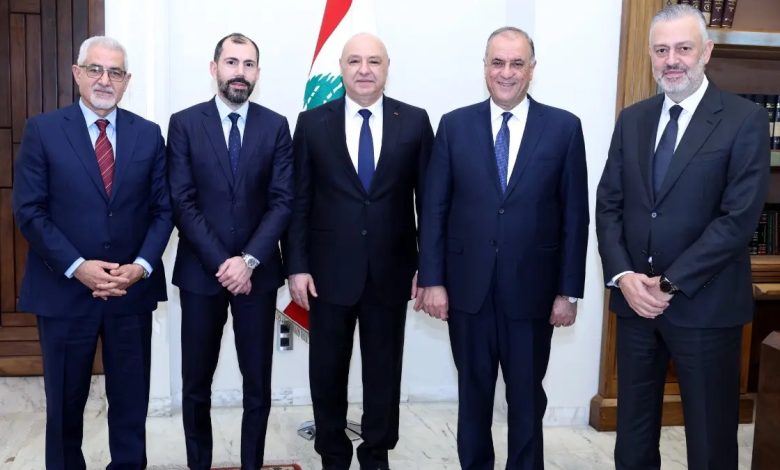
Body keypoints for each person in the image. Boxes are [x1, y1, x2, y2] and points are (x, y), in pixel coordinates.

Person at [596, 4, 769, 469]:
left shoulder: (744, 119)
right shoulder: (633, 119)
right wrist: (624, 276)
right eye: (661, 50)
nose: (672, 60)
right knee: (632, 438)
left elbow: (737, 219)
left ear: (706, 51)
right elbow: (609, 204)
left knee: (710, 443)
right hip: (635, 306)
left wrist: (670, 283)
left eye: (683, 48)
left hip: (706, 307)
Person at [418, 26, 589, 470]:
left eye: (516, 63)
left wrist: (569, 292)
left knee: (527, 399)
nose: (506, 72)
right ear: (485, 68)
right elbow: (434, 209)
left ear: (532, 69)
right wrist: (432, 280)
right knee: (472, 398)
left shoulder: (564, 128)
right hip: (468, 293)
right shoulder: (454, 126)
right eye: (498, 62)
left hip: (533, 295)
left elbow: (576, 216)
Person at [12, 36, 172, 469]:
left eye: (115, 72)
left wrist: (141, 266)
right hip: (63, 292)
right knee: (65, 406)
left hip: (130, 293)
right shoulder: (43, 130)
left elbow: (163, 210)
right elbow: (29, 210)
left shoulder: (148, 134)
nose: (105, 80)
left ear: (127, 81)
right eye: (95, 69)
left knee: (131, 403)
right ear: (77, 73)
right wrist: (77, 266)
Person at [283, 32, 433, 470]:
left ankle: (376, 454)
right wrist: (296, 265)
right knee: (327, 372)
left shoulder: (415, 121)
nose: (364, 70)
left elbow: (430, 202)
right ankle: (332, 454)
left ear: (387, 67)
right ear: (342, 68)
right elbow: (298, 201)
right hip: (326, 275)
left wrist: (428, 266)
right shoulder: (312, 123)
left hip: (393, 271)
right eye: (354, 61)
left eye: (373, 61)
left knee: (384, 373)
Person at [167, 33, 293, 469]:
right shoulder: (184, 123)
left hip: (258, 277)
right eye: (232, 62)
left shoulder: (276, 126)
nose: (240, 72)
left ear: (258, 72)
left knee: (257, 385)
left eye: (249, 64)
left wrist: (249, 260)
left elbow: (283, 200)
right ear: (214, 68)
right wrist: (225, 263)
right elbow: (182, 200)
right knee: (195, 385)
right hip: (201, 274)